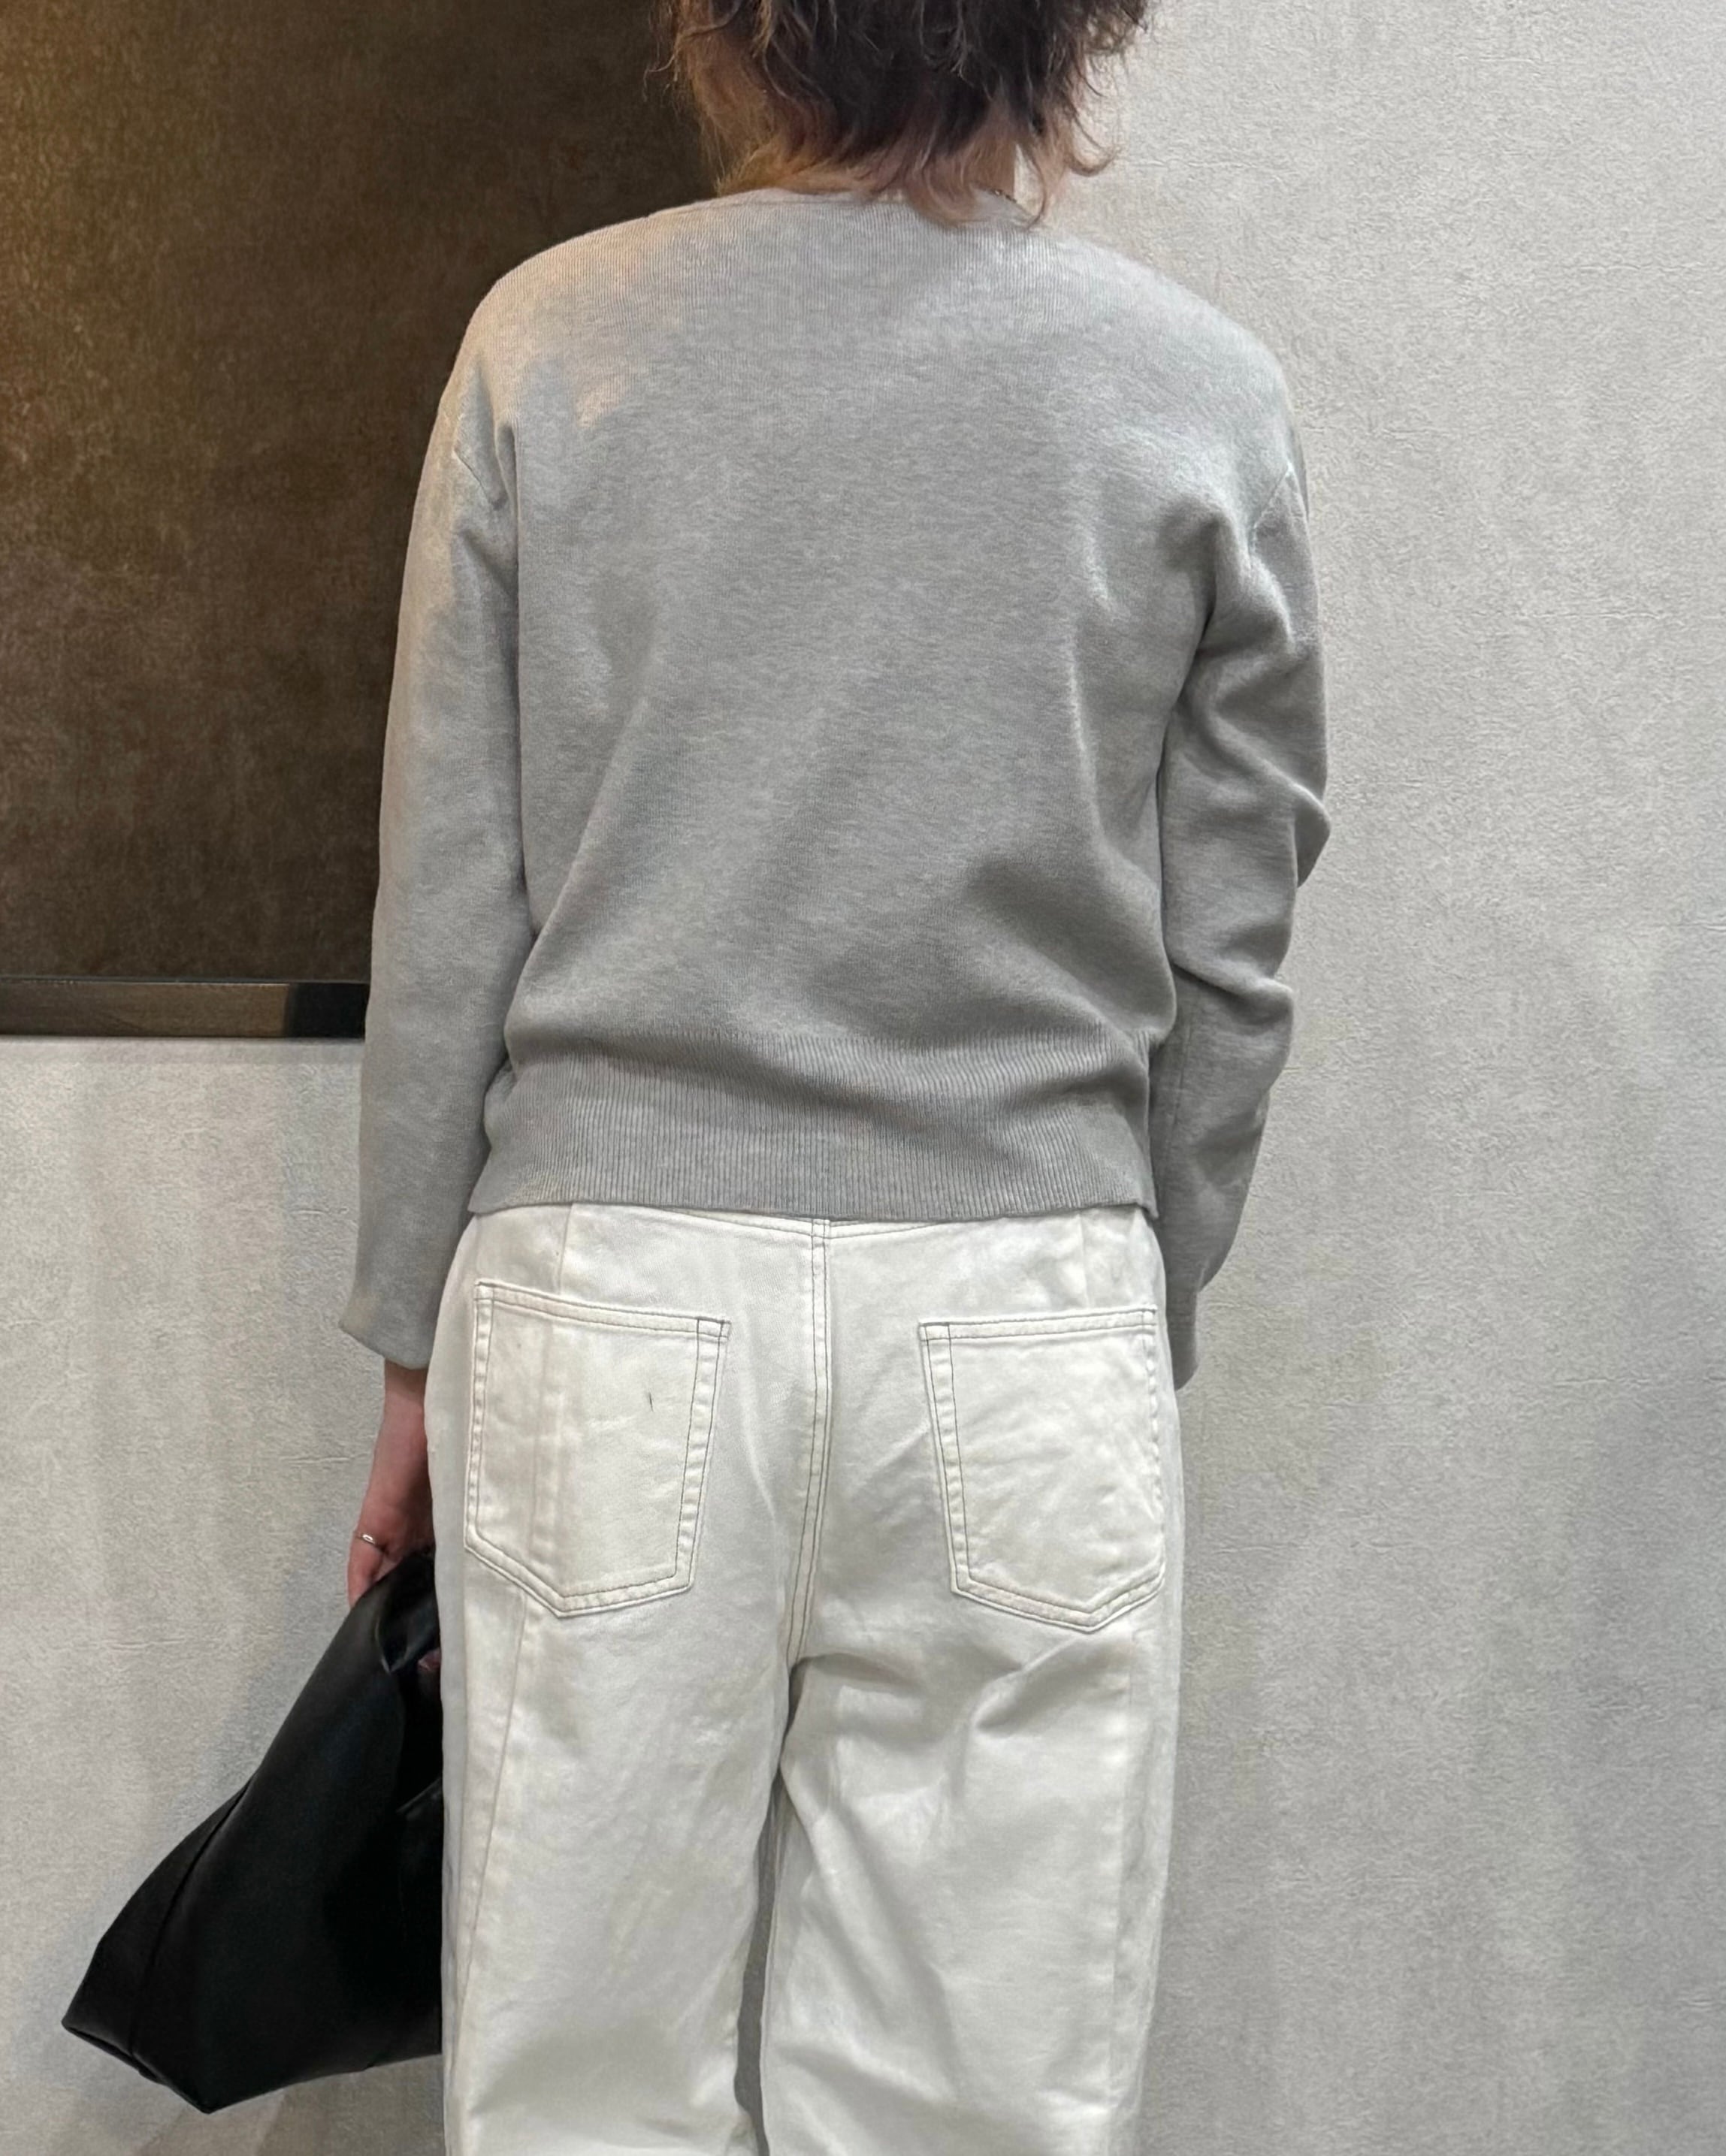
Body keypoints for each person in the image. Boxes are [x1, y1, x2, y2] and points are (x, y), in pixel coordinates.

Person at [338, 2, 1332, 2149]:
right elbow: (1231, 954)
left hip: (609, 1293)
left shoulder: (550, 342)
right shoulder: (1194, 391)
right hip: (1017, 1292)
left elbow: (452, 891)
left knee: (579, 2085)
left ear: (731, 29)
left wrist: (416, 1335)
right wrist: (1119, 1283)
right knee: (974, 2097)